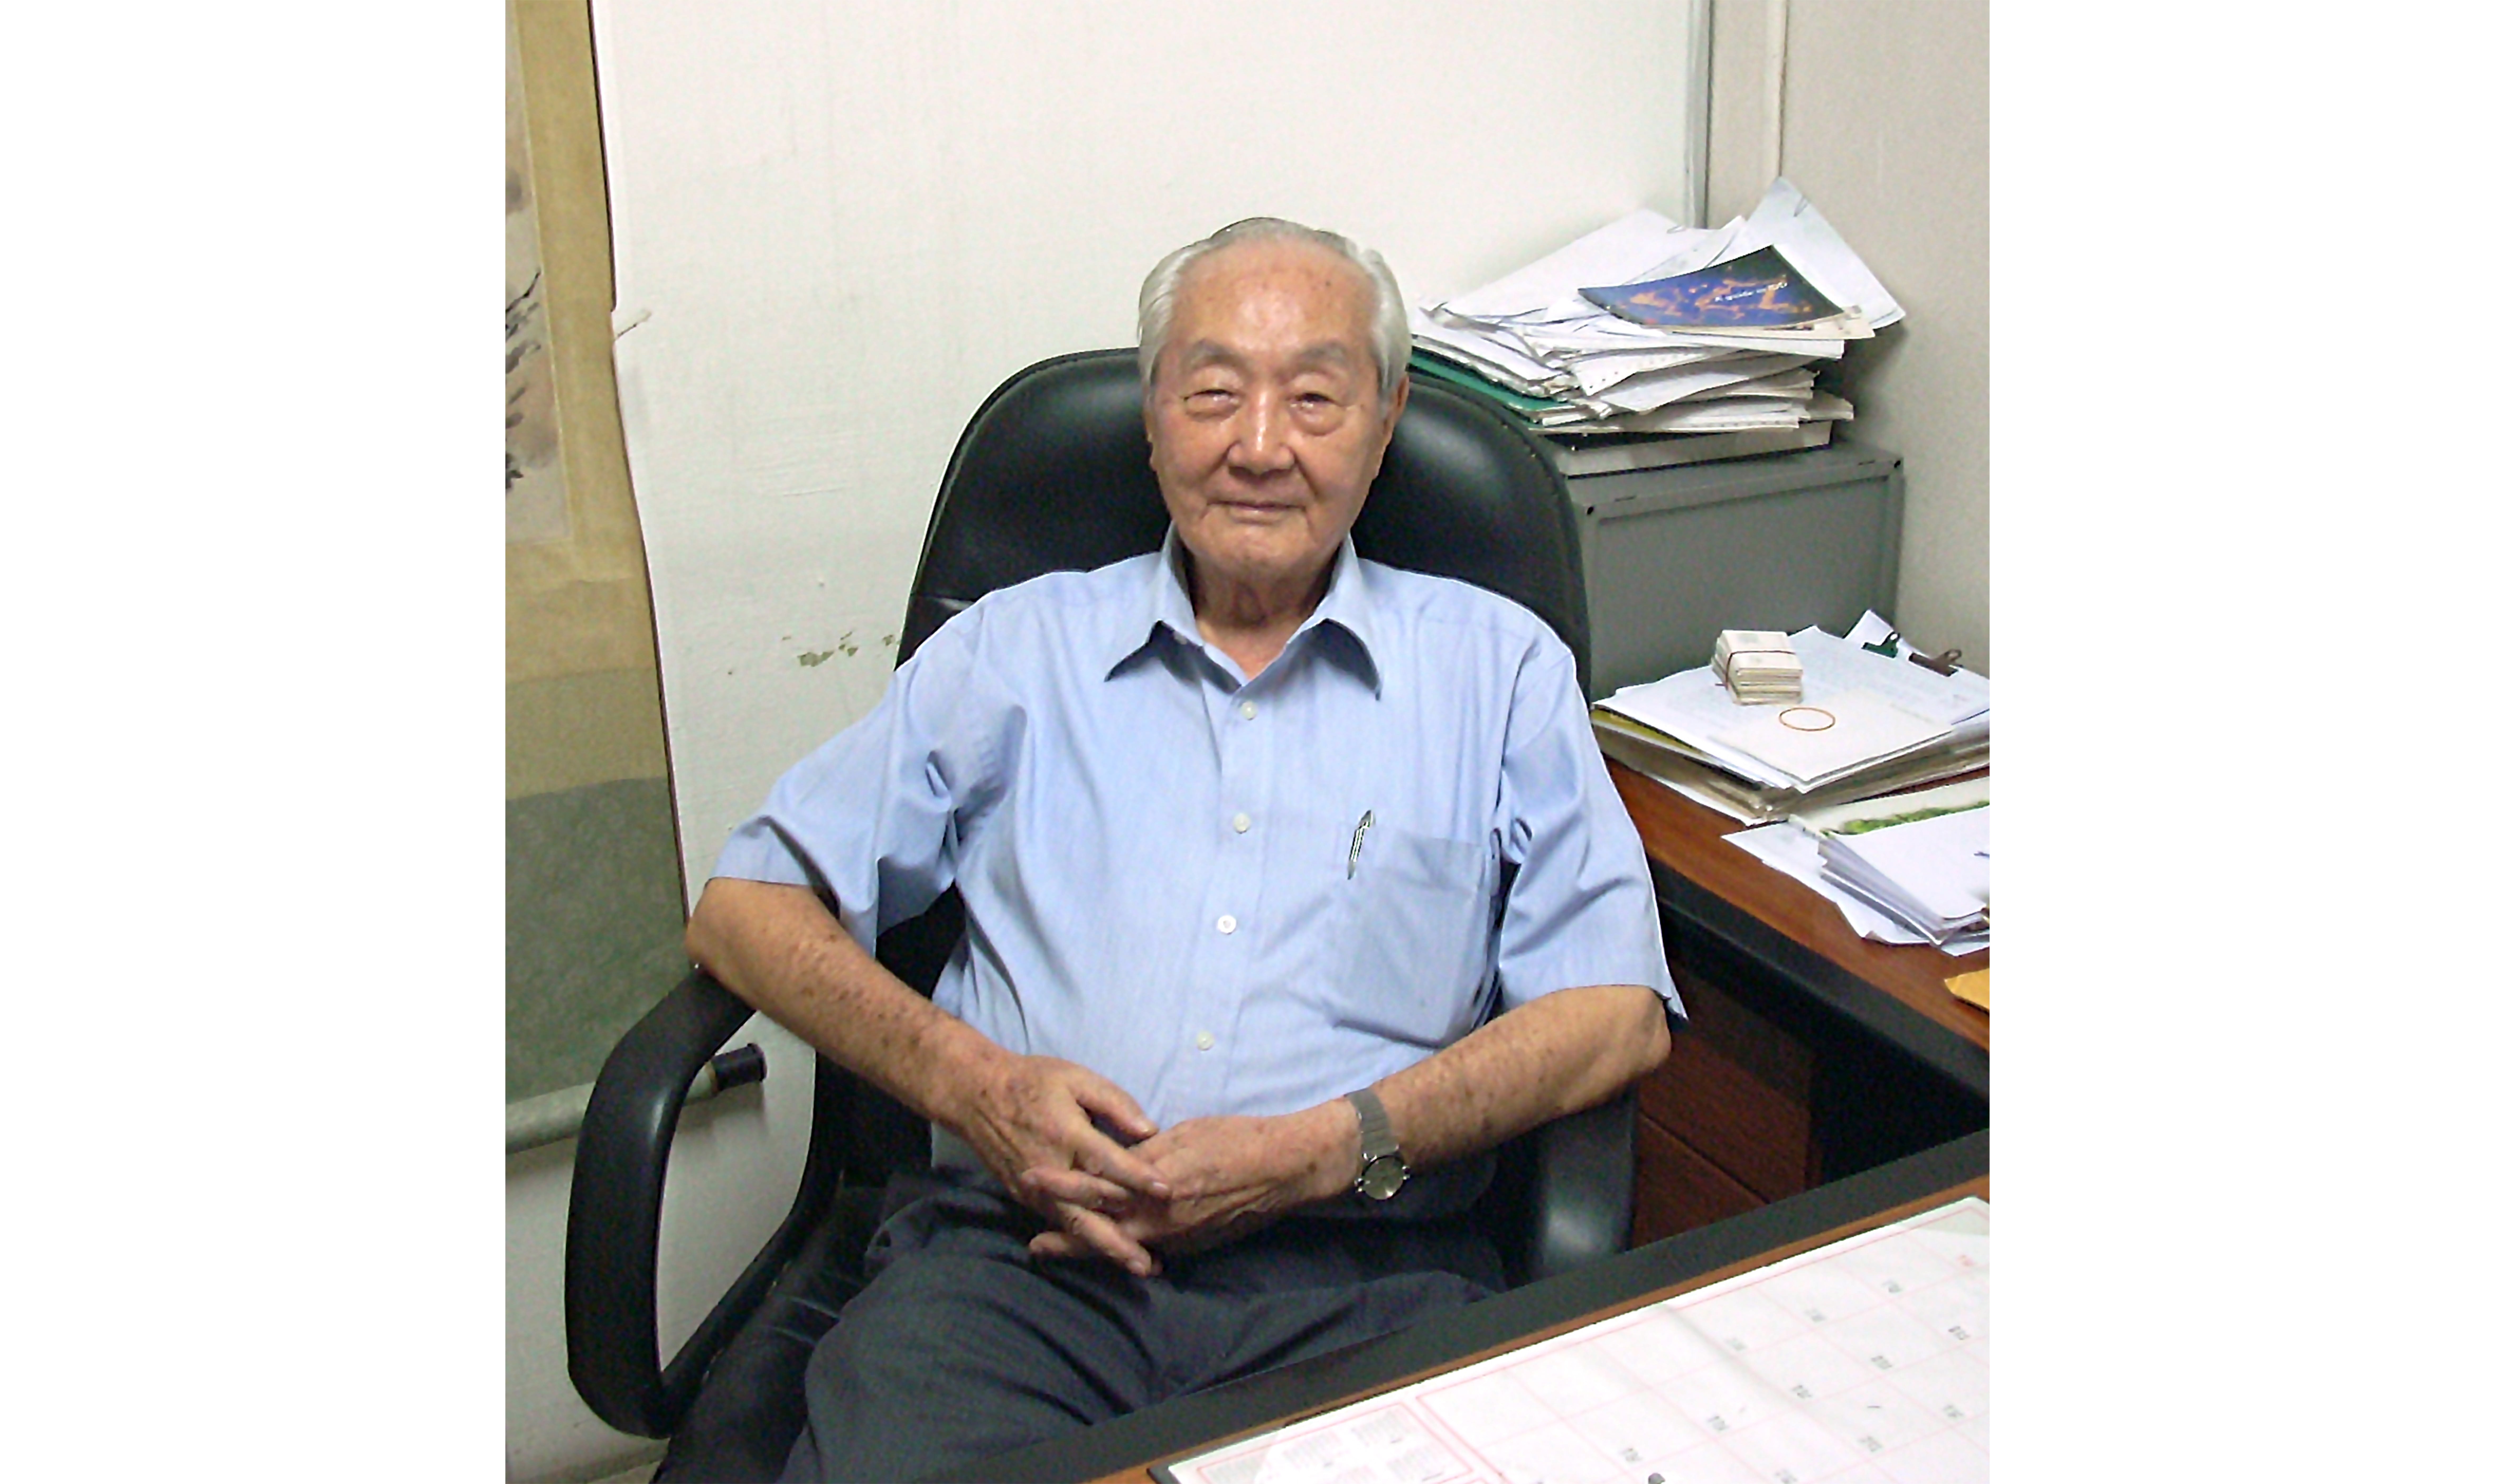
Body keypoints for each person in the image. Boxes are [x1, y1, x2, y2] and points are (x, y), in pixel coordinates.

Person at [685, 217, 1684, 1481]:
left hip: (1365, 1284)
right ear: (1153, 417)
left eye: (1314, 397)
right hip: (1015, 1275)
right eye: (1212, 393)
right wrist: (972, 1086)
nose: (1258, 446)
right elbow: (742, 906)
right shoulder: (1015, 650)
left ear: (1385, 423)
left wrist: (1323, 1146)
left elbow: (1613, 1012)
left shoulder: (1497, 670)